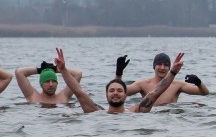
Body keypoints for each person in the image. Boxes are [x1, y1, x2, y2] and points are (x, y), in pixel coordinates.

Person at [55, 48, 183, 114]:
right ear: (106, 95)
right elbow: (78, 92)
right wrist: (63, 69)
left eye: (119, 91)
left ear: (126, 95)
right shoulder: (96, 111)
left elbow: (155, 92)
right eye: (112, 91)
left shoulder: (136, 111)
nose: (115, 93)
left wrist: (172, 72)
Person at [117, 52, 209, 105]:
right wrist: (119, 73)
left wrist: (198, 82)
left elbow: (204, 93)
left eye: (165, 65)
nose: (162, 67)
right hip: (149, 117)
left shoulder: (177, 85)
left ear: (169, 68)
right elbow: (120, 93)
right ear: (154, 66)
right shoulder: (143, 84)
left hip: (170, 119)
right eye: (159, 64)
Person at [14, 60, 82, 105]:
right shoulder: (33, 96)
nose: (51, 85)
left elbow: (78, 73)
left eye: (54, 81)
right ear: (41, 83)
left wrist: (58, 69)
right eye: (47, 82)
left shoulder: (64, 96)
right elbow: (19, 72)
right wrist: (40, 70)